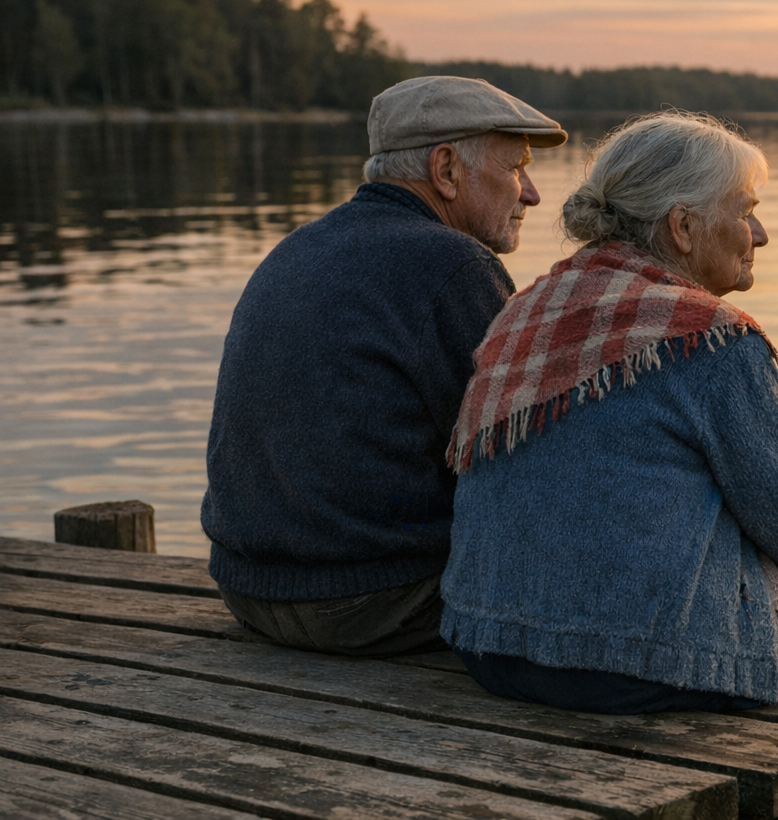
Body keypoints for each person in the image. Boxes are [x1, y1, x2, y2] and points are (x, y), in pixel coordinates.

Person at [440, 110, 778, 712]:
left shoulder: (527, 311)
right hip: (632, 665)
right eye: (745, 212)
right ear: (682, 226)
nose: (760, 234)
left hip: (491, 649)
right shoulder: (708, 337)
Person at [201, 76, 565, 656]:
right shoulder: (455, 265)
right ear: (446, 170)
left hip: (248, 591)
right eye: (516, 167)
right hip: (370, 603)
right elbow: (518, 465)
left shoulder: (297, 246)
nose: (531, 194)